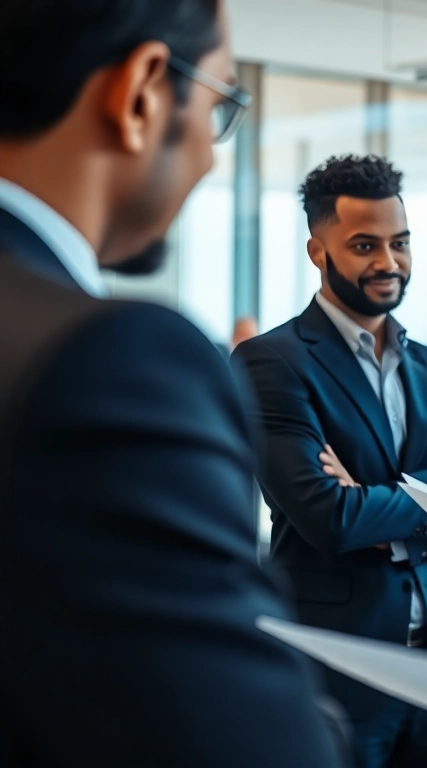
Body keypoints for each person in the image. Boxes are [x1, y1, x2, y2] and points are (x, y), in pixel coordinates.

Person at [0, 1, 343, 765]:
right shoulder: (111, 364)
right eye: (220, 104)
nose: (211, 157)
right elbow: (255, 744)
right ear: (143, 93)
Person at [232, 155, 427, 768]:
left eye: (400, 243)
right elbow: (329, 518)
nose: (388, 263)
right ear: (318, 250)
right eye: (364, 245)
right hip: (340, 666)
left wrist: (385, 494)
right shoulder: (273, 363)